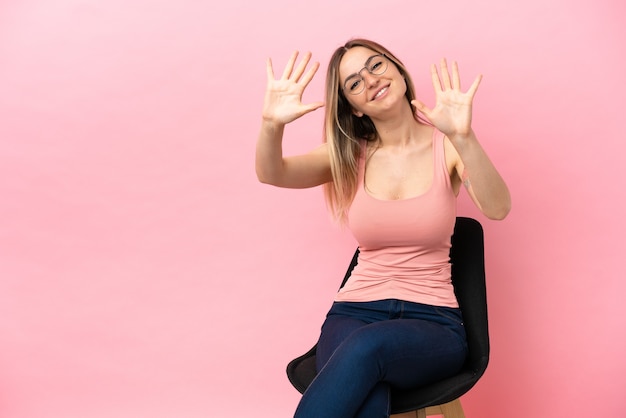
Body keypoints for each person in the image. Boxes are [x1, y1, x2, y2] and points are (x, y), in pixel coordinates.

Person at [255, 38, 511, 418]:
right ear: (354, 109)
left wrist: (464, 136)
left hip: (433, 322)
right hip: (353, 313)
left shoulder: (448, 147)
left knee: (365, 350)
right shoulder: (348, 156)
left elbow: (498, 207)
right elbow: (271, 172)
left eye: (375, 65)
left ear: (397, 69)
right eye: (354, 83)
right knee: (369, 390)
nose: (370, 80)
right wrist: (270, 124)